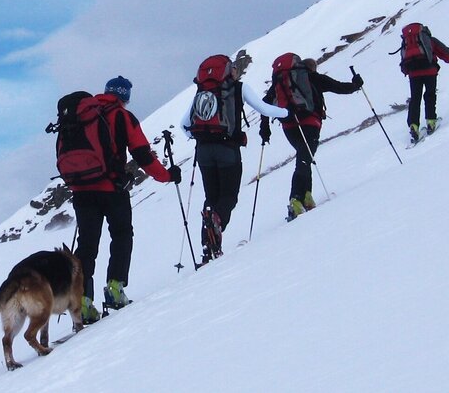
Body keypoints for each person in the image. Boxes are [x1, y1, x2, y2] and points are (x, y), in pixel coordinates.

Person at [71, 76, 181, 323]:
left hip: (81, 189)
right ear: (125, 96)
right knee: (121, 235)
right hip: (111, 188)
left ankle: (82, 302)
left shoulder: (81, 115)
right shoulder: (122, 117)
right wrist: (167, 176)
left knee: (87, 246)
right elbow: (142, 155)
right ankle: (115, 288)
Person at [180, 57, 289, 264]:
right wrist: (287, 112)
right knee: (229, 196)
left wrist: (200, 138)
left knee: (211, 197)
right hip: (228, 149)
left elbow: (184, 124)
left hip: (203, 152)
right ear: (230, 71)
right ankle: (217, 222)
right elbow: (264, 109)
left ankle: (208, 246)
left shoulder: (201, 92)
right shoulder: (239, 88)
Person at [259, 57, 362, 221]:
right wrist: (356, 84)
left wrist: (264, 129)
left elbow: (265, 103)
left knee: (304, 156)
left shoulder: (281, 82)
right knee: (304, 159)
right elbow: (339, 87)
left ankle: (307, 195)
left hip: (289, 126)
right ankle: (296, 199)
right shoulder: (312, 77)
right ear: (312, 67)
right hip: (309, 123)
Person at [398, 23, 449, 142]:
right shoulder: (429, 40)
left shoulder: (407, 43)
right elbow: (443, 52)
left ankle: (413, 126)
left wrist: (408, 71)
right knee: (430, 95)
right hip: (430, 71)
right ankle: (431, 121)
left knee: (415, 99)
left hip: (413, 74)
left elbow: (403, 59)